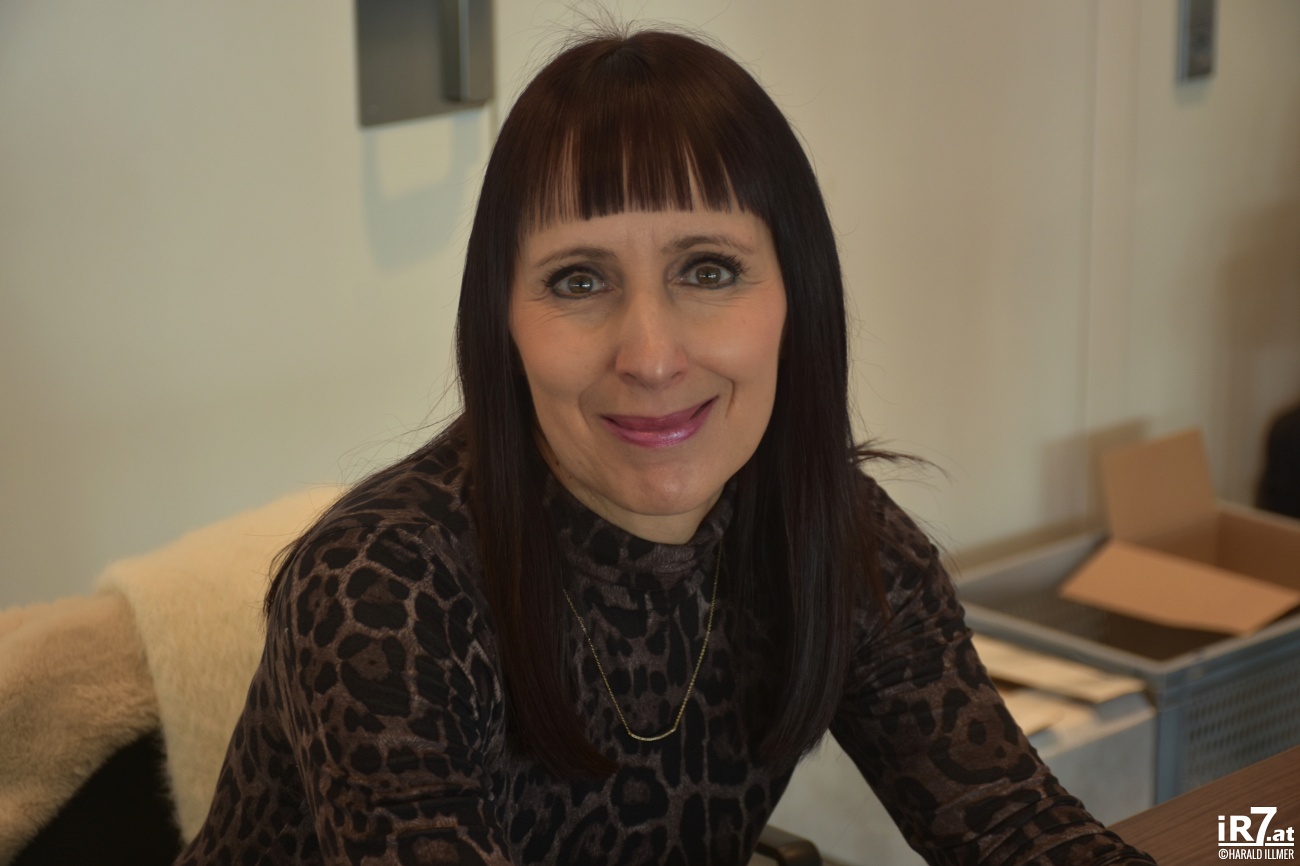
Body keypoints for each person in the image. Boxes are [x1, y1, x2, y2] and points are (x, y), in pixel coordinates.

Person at [176, 29, 1155, 866]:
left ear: (796, 298)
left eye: (709, 269)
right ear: (501, 324)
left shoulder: (833, 532)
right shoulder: (384, 586)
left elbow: (1020, 831)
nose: (649, 355)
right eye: (578, 280)